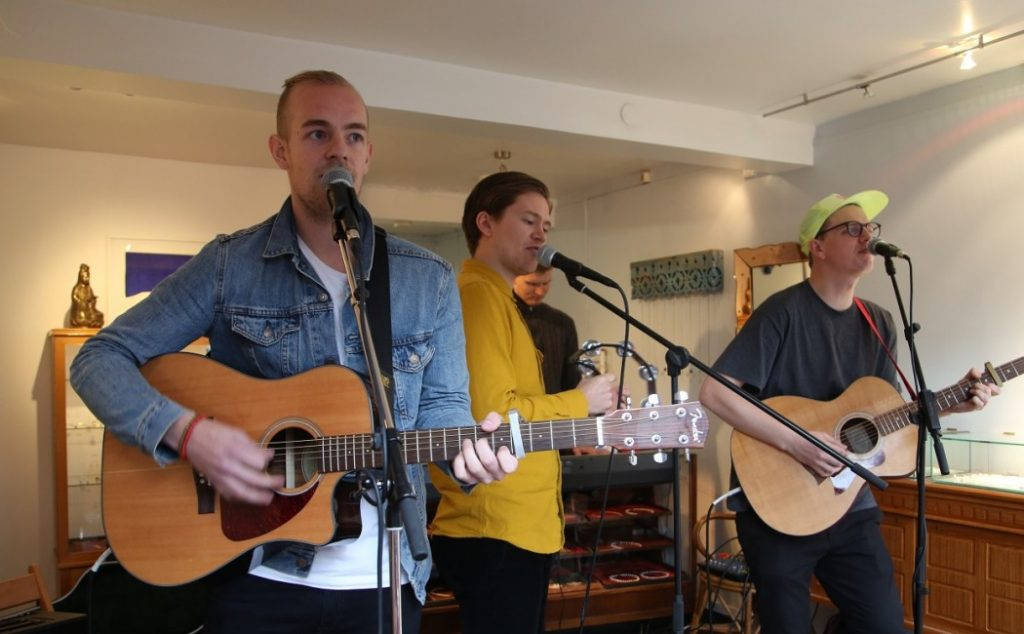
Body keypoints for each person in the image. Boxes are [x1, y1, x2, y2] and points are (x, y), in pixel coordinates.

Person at [69, 70, 516, 633]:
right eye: (316, 134)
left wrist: (473, 456)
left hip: (387, 582)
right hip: (256, 575)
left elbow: (444, 410)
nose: (338, 150)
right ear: (279, 150)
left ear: (369, 153)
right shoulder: (231, 265)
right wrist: (187, 434)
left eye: (353, 136)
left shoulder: (427, 278)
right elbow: (98, 357)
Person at [699, 190, 998, 633]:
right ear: (817, 248)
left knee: (883, 625)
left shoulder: (879, 321)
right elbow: (716, 392)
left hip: (849, 506)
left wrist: (950, 406)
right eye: (851, 229)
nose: (867, 237)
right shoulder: (782, 312)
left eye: (871, 229)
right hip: (776, 506)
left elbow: (889, 415)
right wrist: (800, 443)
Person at [428, 171, 620, 633]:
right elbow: (491, 417)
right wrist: (578, 400)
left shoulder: (498, 297)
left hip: (515, 527)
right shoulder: (478, 297)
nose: (541, 235)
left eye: (547, 226)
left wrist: (586, 405)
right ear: (486, 223)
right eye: (528, 220)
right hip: (495, 528)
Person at [513, 265, 582, 393]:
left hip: (558, 410)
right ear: (514, 278)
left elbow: (572, 382)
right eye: (532, 284)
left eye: (545, 283)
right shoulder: (503, 317)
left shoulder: (563, 323)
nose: (539, 291)